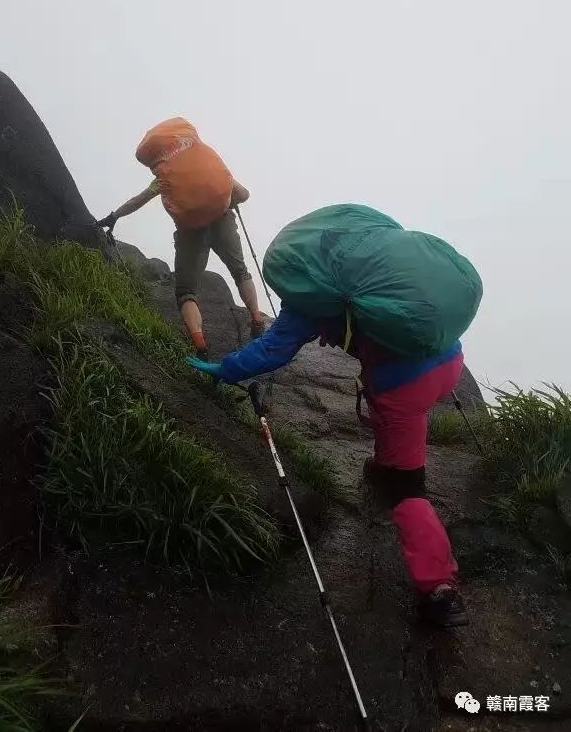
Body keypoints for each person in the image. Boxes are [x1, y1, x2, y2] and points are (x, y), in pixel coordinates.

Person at [187, 204, 483, 628]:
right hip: (449, 361)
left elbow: (271, 350)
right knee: (404, 426)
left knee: (407, 489)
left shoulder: (309, 299)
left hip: (402, 383)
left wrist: (225, 369)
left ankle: (439, 589)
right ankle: (385, 466)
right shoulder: (367, 259)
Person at [98, 118, 264, 358]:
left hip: (190, 233)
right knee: (240, 271)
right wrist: (228, 199)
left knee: (186, 291)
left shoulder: (164, 176)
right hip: (223, 220)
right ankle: (257, 320)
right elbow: (244, 194)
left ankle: (200, 346)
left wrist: (114, 216)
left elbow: (138, 200)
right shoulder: (211, 165)